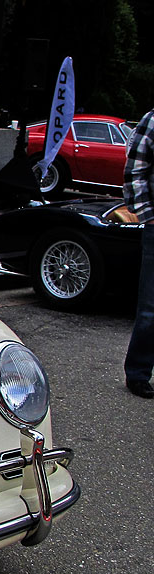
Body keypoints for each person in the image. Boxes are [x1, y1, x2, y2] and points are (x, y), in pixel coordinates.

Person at [123, 107, 154, 398]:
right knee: (150, 308)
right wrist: (148, 214)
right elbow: (136, 169)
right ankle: (138, 374)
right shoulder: (153, 119)